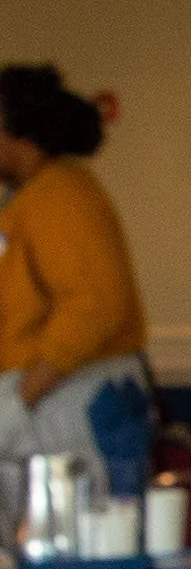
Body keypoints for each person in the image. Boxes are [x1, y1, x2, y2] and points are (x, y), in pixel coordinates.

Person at [0, 62, 150, 492]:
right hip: (53, 400)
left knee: (82, 548)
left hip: (72, 400)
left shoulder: (60, 195)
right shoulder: (27, 203)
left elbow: (93, 306)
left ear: (18, 131)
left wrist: (20, 399)